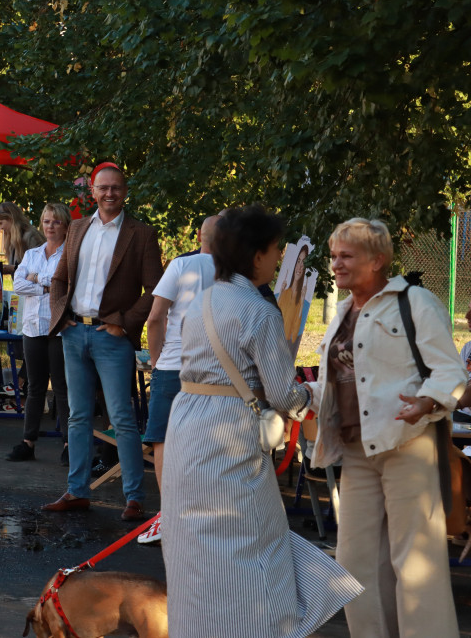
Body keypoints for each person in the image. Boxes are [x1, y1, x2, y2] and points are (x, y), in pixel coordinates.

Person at [161, 205, 362, 637]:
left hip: (187, 428)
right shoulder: (260, 312)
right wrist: (318, 392)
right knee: (255, 546)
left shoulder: (204, 300)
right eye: (275, 250)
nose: (277, 259)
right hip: (230, 434)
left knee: (194, 552)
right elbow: (285, 396)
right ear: (256, 256)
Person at [308, 218, 464, 637]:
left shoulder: (416, 302)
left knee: (415, 562)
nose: (336, 264)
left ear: (377, 260)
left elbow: (449, 371)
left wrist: (427, 401)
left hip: (407, 443)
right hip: (356, 451)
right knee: (354, 563)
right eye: (334, 255)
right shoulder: (343, 311)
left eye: (346, 256)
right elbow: (337, 380)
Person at [42, 163, 163, 521]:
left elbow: (156, 289)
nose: (109, 193)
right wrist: (60, 318)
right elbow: (59, 280)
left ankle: (134, 497)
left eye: (116, 187)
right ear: (92, 192)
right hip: (74, 332)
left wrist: (124, 324)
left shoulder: (140, 234)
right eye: (103, 188)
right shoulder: (77, 227)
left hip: (112, 336)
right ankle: (78, 491)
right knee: (77, 416)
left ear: (125, 191)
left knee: (122, 418)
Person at [136, 215, 217, 544]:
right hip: (216, 370)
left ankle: (169, 516)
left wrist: (156, 362)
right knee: (207, 440)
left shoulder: (182, 266)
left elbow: (156, 318)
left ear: (199, 235)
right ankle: (203, 516)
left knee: (163, 440)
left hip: (174, 365)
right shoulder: (241, 275)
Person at [7, 203, 71, 464]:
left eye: (55, 222)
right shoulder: (32, 254)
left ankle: (69, 444)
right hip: (33, 327)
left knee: (62, 388)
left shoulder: (70, 254)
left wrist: (37, 280)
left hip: (58, 328)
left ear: (66, 225)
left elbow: (66, 286)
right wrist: (46, 286)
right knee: (34, 387)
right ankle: (28, 441)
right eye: (46, 221)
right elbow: (18, 284)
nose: (50, 226)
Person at [0, 201, 44, 275]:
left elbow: (39, 266)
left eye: (1, 223)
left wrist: (11, 268)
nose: (1, 227)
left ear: (11, 219)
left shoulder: (31, 236)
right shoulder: (12, 238)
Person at [277, 243, 310, 353]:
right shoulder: (284, 292)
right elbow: (273, 319)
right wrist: (281, 293)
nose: (300, 267)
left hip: (286, 349)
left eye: (304, 263)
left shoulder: (301, 300)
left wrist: (301, 301)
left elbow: (295, 333)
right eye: (298, 261)